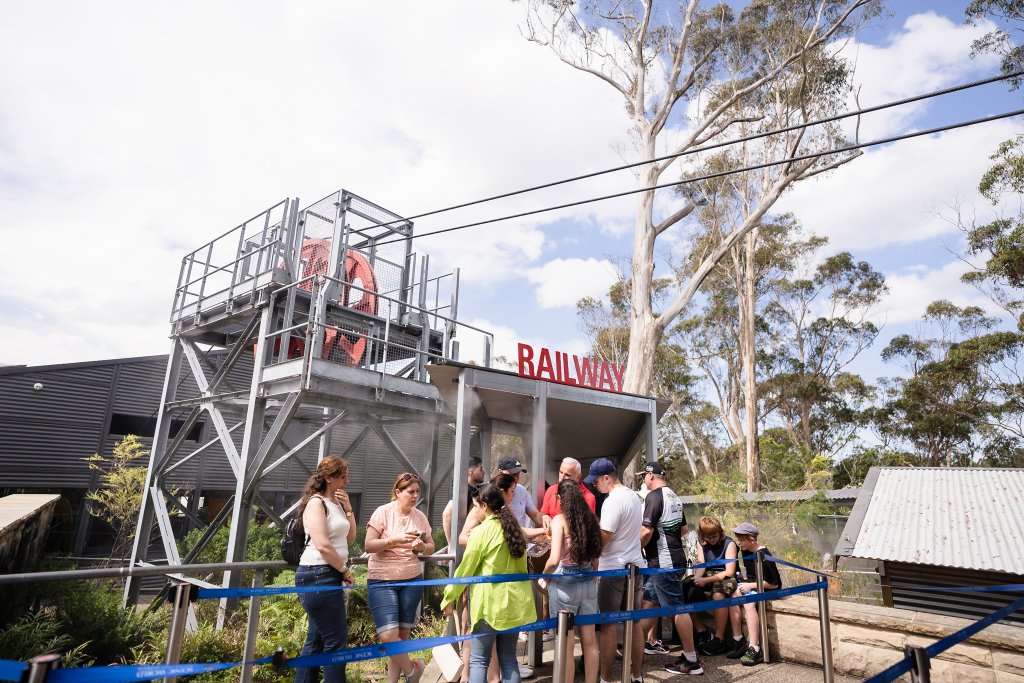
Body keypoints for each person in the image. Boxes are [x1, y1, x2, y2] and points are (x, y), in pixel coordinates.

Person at [442, 483, 537, 683]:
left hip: (488, 607)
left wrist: (449, 597)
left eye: (476, 507)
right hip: (514, 606)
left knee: (478, 661)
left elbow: (465, 570)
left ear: (485, 506)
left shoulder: (480, 532)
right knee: (509, 659)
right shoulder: (514, 530)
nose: (475, 511)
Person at [365, 473, 435, 683]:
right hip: (381, 580)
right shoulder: (383, 512)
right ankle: (413, 669)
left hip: (411, 579)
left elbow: (431, 547)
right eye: (410, 492)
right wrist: (392, 540)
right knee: (388, 636)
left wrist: (422, 547)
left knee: (401, 637)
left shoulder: (420, 516)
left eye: (417, 492)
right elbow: (369, 545)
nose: (415, 496)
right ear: (398, 492)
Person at [294, 456, 358, 683]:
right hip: (318, 574)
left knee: (317, 642)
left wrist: (349, 508)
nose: (346, 481)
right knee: (337, 644)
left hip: (329, 574)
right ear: (329, 478)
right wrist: (345, 570)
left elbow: (350, 536)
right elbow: (322, 544)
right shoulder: (315, 503)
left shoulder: (336, 504)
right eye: (342, 477)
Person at [636, 463, 703, 675]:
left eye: (644, 476)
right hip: (669, 560)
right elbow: (683, 529)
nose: (643, 480)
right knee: (650, 603)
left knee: (676, 608)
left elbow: (646, 532)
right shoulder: (674, 496)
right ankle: (633, 648)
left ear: (650, 475)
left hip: (664, 564)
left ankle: (692, 660)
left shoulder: (654, 496)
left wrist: (633, 550)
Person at [584, 458, 646, 683]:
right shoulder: (633, 496)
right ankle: (637, 676)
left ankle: (607, 679)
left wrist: (587, 544)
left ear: (607, 478)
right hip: (635, 565)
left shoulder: (612, 501)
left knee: (609, 626)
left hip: (613, 568)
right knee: (635, 622)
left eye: (596, 481)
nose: (595, 486)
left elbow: (605, 538)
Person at [540, 480, 603, 683]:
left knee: (566, 646)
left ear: (560, 498)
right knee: (590, 643)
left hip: (565, 583)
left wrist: (544, 576)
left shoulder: (560, 520)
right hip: (588, 582)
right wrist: (593, 577)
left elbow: (554, 559)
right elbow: (596, 559)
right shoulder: (591, 520)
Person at [725, 522, 781, 667]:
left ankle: (754, 646)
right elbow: (751, 575)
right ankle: (738, 639)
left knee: (749, 603)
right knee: (734, 595)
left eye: (741, 539)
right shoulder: (746, 551)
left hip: (766, 587)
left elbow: (775, 583)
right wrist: (744, 582)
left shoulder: (764, 555)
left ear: (751, 539)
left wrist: (750, 585)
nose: (739, 543)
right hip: (753, 584)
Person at [691, 516, 738, 656]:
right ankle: (701, 631)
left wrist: (706, 581)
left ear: (720, 532)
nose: (711, 540)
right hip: (707, 574)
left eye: (714, 536)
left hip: (724, 576)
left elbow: (729, 571)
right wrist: (697, 577)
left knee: (718, 594)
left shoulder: (729, 543)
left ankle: (719, 638)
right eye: (708, 537)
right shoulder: (701, 542)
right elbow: (701, 564)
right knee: (687, 591)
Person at [442, 456, 486, 547]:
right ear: (470, 471)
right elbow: (447, 514)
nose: (484, 472)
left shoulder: (474, 489)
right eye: (480, 469)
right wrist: (451, 544)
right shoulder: (462, 490)